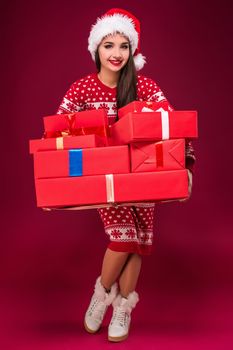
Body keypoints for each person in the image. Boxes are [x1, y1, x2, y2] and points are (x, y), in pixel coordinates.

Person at [56, 8, 196, 342]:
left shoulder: (145, 86)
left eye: (123, 46)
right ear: (96, 50)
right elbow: (57, 131)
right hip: (106, 180)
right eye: (108, 45)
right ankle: (101, 293)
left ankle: (122, 307)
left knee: (140, 245)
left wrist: (186, 167)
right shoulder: (82, 89)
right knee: (123, 238)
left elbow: (175, 127)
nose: (116, 53)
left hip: (145, 179)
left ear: (132, 51)